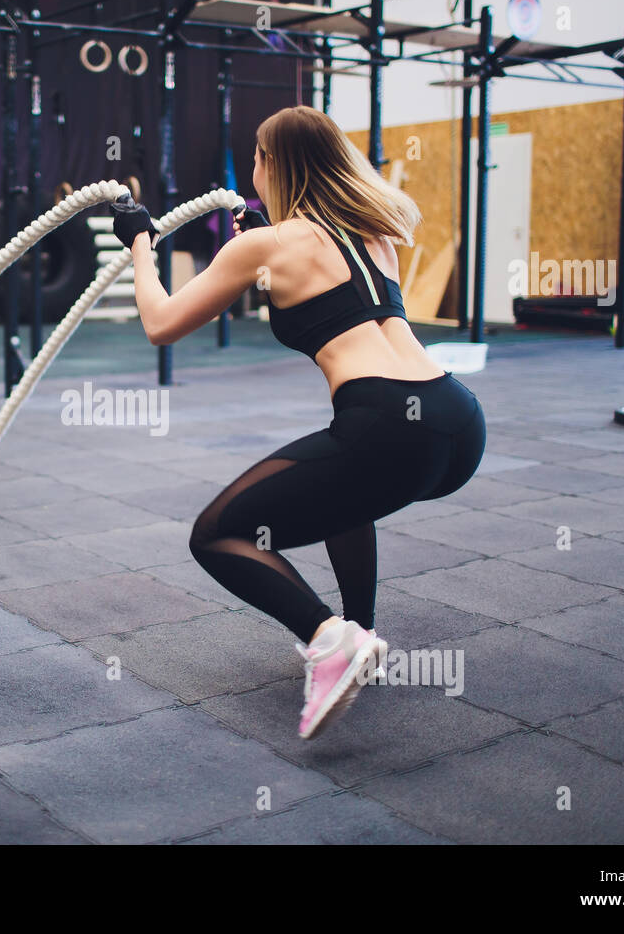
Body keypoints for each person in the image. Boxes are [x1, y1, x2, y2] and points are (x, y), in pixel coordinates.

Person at [110, 106, 486, 739]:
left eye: (257, 154)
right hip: (456, 421)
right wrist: (266, 232)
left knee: (217, 534)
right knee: (349, 489)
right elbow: (319, 267)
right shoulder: (376, 234)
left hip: (390, 426)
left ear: (272, 162)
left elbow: (161, 323)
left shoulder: (264, 245)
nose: (252, 164)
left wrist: (142, 245)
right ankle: (360, 632)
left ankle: (327, 638)